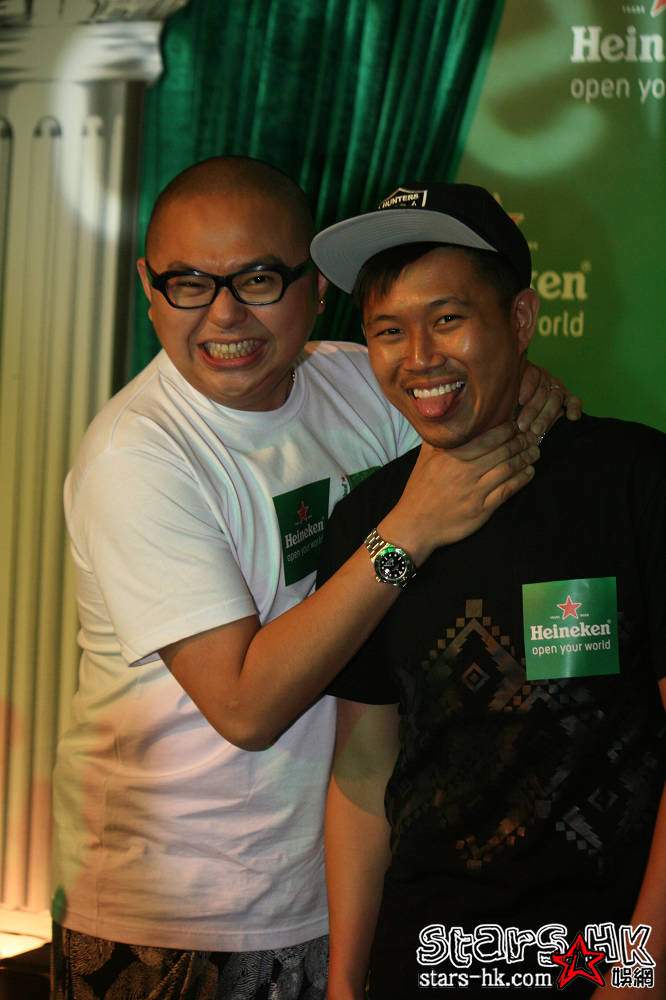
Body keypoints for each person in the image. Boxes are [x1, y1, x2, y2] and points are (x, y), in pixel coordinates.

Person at [52, 158, 576, 1000]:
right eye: (189, 283)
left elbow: (478, 393)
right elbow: (246, 707)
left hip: (347, 884)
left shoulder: (357, 380)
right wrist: (409, 528)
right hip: (179, 919)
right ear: (149, 289)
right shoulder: (137, 456)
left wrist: (528, 387)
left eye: (258, 279)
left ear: (315, 288)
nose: (224, 314)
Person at [311, 182, 665, 999]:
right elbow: (364, 767)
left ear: (521, 320)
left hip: (598, 957)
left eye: (447, 319)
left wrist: (642, 967)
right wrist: (345, 983)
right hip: (428, 960)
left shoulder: (636, 482)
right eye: (388, 331)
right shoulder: (370, 523)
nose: (418, 358)